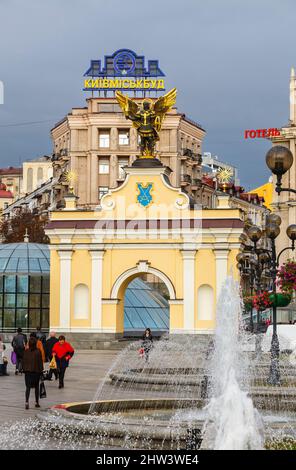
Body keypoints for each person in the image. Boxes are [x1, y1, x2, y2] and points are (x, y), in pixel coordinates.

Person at [22, 337, 43, 409]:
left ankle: (26, 402)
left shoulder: (26, 351)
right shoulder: (38, 351)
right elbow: (40, 362)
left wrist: (24, 370)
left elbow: (23, 362)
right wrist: (41, 372)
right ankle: (36, 402)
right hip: (36, 372)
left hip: (27, 372)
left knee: (28, 387)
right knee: (37, 387)